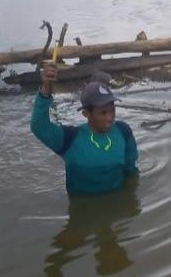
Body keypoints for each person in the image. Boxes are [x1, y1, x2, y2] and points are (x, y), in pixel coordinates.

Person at [31, 63, 138, 194]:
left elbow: (131, 169)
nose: (110, 117)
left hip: (118, 203)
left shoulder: (123, 131)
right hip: (83, 206)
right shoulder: (70, 139)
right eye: (103, 113)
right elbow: (39, 127)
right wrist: (46, 90)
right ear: (86, 114)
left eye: (112, 111)